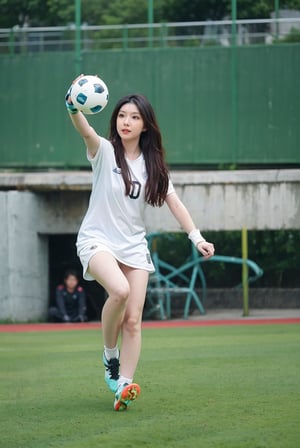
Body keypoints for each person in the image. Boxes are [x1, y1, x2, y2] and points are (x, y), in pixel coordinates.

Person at [65, 76, 215, 411]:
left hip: (133, 245)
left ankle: (124, 385)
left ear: (145, 125)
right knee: (119, 291)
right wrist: (73, 104)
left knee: (133, 318)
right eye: (121, 116)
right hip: (97, 239)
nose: (126, 122)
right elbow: (84, 129)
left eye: (134, 117)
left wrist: (197, 238)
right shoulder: (102, 151)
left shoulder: (153, 165)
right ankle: (109, 356)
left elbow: (174, 203)